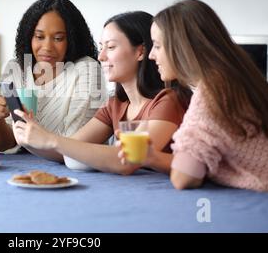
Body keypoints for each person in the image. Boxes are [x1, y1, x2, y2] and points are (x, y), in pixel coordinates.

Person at [12, 11, 190, 174]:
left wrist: (51, 139)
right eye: (101, 47)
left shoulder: (168, 101)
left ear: (140, 51)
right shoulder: (115, 104)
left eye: (111, 47)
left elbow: (128, 161)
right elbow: (68, 150)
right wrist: (29, 137)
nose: (101, 56)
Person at [146, 0, 268, 192]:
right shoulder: (237, 77)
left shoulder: (212, 93)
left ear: (182, 47)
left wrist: (151, 157)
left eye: (157, 46)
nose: (152, 55)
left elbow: (184, 178)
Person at [0, 0, 107, 162]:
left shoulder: (85, 69)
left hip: (70, 169)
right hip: (19, 167)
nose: (47, 47)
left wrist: (32, 135)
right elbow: (5, 145)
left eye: (58, 38)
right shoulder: (16, 69)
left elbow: (74, 148)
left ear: (71, 40)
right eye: (39, 37)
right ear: (29, 37)